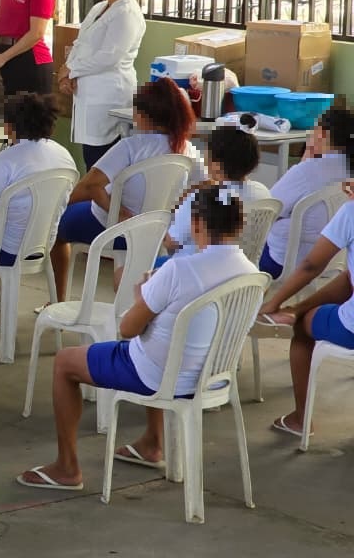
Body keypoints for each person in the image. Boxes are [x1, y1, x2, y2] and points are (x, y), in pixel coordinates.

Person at [17, 187, 254, 490]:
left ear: (196, 225)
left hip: (162, 376)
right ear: (240, 225)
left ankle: (67, 467)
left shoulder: (180, 269)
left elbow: (127, 329)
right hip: (213, 376)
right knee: (158, 343)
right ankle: (152, 442)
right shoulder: (251, 272)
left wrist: (141, 295)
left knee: (66, 362)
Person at [50, 78, 206, 302]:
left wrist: (121, 213)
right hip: (155, 231)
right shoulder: (187, 150)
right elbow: (204, 187)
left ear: (142, 115)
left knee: (57, 224)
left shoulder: (130, 147)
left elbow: (94, 185)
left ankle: (58, 299)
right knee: (79, 196)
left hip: (113, 228)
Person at [257, 149, 354, 437]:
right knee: (310, 312)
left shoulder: (350, 210)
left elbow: (312, 264)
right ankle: (300, 311)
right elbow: (347, 280)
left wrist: (275, 302)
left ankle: (301, 419)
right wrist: (297, 306)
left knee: (302, 328)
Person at [57, 0, 147, 169]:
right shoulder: (100, 8)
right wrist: (69, 72)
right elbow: (81, 43)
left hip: (109, 95)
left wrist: (72, 69)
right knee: (90, 154)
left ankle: (102, 203)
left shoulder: (127, 14)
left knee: (102, 160)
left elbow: (108, 57)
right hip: (88, 93)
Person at [0, 92, 77, 267]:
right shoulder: (63, 155)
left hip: (6, 251)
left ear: (9, 127)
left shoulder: (6, 160)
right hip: (43, 245)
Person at [258, 107, 354, 278]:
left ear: (322, 133)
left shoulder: (307, 172)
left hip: (286, 260)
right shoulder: (347, 168)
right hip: (333, 260)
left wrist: (305, 161)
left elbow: (266, 212)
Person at [161, 125, 270, 265]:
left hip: (193, 269)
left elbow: (170, 243)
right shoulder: (263, 193)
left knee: (127, 272)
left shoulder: (202, 197)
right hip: (240, 270)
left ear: (217, 165)